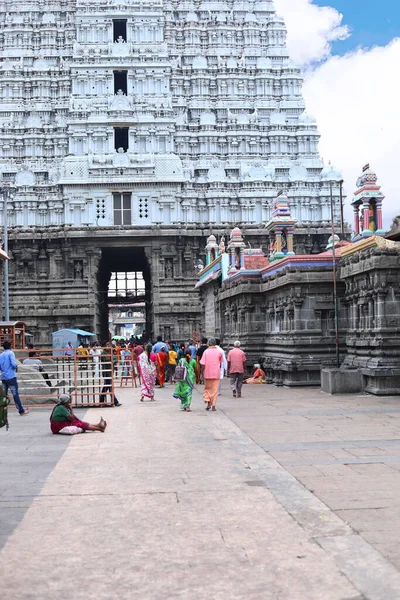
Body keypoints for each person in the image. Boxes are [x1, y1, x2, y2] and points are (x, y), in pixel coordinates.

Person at [0, 341, 29, 416]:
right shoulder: (11, 353)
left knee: (3, 395)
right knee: (15, 394)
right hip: (11, 377)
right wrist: (15, 367)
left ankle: (2, 412)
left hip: (3, 377)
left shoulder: (1, 355)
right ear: (10, 346)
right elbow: (13, 364)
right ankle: (21, 410)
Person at [200, 338, 223, 411]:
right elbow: (220, 363)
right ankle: (213, 405)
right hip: (216, 373)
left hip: (207, 373)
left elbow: (203, 364)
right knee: (215, 390)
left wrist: (201, 372)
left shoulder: (206, 352)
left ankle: (208, 401)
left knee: (207, 389)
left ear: (209, 344)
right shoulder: (219, 352)